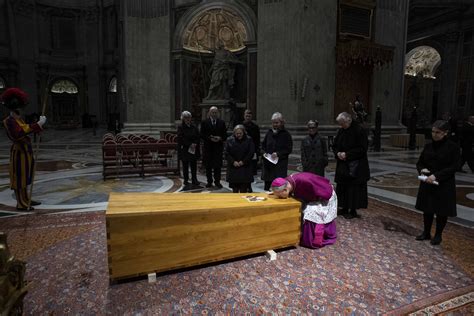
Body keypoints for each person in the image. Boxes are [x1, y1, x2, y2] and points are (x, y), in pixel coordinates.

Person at [415, 120, 460, 245]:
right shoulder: (428, 146)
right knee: (427, 209)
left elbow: (454, 166)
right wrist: (421, 170)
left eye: (437, 132)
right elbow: (420, 162)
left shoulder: (453, 147)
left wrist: (437, 176)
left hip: (444, 183)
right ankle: (426, 232)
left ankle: (438, 235)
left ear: (445, 133)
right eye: (433, 132)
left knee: (441, 211)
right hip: (427, 182)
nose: (434, 134)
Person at [1, 88, 47, 210]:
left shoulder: (18, 119)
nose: (21, 110)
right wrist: (37, 125)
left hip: (26, 151)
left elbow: (26, 128)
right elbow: (19, 133)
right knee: (19, 178)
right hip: (19, 153)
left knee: (26, 176)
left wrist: (38, 127)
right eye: (20, 108)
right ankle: (21, 203)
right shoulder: (9, 121)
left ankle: (26, 199)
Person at [270, 172, 337, 249]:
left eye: (279, 195)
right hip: (313, 197)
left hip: (324, 196)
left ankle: (312, 239)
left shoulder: (303, 182)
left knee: (310, 212)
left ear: (285, 190)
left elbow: (320, 192)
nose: (279, 197)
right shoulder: (287, 182)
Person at [333, 112, 370, 219]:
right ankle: (344, 207)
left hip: (356, 165)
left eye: (342, 123)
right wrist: (337, 153)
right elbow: (335, 145)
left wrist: (347, 155)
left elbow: (362, 149)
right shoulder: (342, 130)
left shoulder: (359, 130)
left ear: (349, 120)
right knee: (343, 186)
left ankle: (352, 209)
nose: (341, 126)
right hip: (343, 164)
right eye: (340, 124)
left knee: (353, 188)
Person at [261, 112, 293, 191]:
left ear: (281, 122)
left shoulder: (286, 135)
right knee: (267, 189)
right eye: (273, 123)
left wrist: (278, 153)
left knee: (279, 188)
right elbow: (263, 145)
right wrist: (264, 153)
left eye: (277, 123)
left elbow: (288, 149)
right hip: (268, 166)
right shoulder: (269, 133)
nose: (275, 125)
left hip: (279, 166)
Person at [200, 106, 228, 188]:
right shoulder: (204, 122)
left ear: (218, 113)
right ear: (209, 113)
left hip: (218, 148)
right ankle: (209, 182)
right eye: (213, 112)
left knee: (217, 166)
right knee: (208, 166)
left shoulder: (221, 122)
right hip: (208, 147)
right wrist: (210, 138)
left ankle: (217, 182)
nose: (214, 114)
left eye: (216, 112)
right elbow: (202, 134)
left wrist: (220, 138)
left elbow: (225, 135)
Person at [224, 125, 255, 193]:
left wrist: (243, 162)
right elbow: (226, 153)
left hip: (245, 168)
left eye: (240, 133)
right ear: (234, 133)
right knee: (235, 190)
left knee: (243, 190)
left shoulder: (249, 140)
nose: (238, 135)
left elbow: (251, 153)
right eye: (237, 133)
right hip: (233, 168)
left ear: (244, 132)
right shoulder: (229, 140)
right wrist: (233, 162)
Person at [177, 111, 200, 187]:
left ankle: (194, 179)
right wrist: (190, 144)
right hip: (185, 149)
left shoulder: (194, 126)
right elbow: (181, 138)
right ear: (183, 119)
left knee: (193, 165)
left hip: (193, 149)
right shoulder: (181, 127)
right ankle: (186, 180)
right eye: (186, 118)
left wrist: (195, 143)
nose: (188, 119)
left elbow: (197, 136)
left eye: (189, 117)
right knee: (185, 165)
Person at [242, 109, 260, 178]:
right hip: (243, 148)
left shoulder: (255, 127)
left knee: (252, 167)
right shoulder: (241, 126)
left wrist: (257, 150)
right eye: (246, 116)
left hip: (253, 148)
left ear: (251, 117)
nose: (248, 118)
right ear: (244, 116)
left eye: (249, 116)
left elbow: (257, 139)